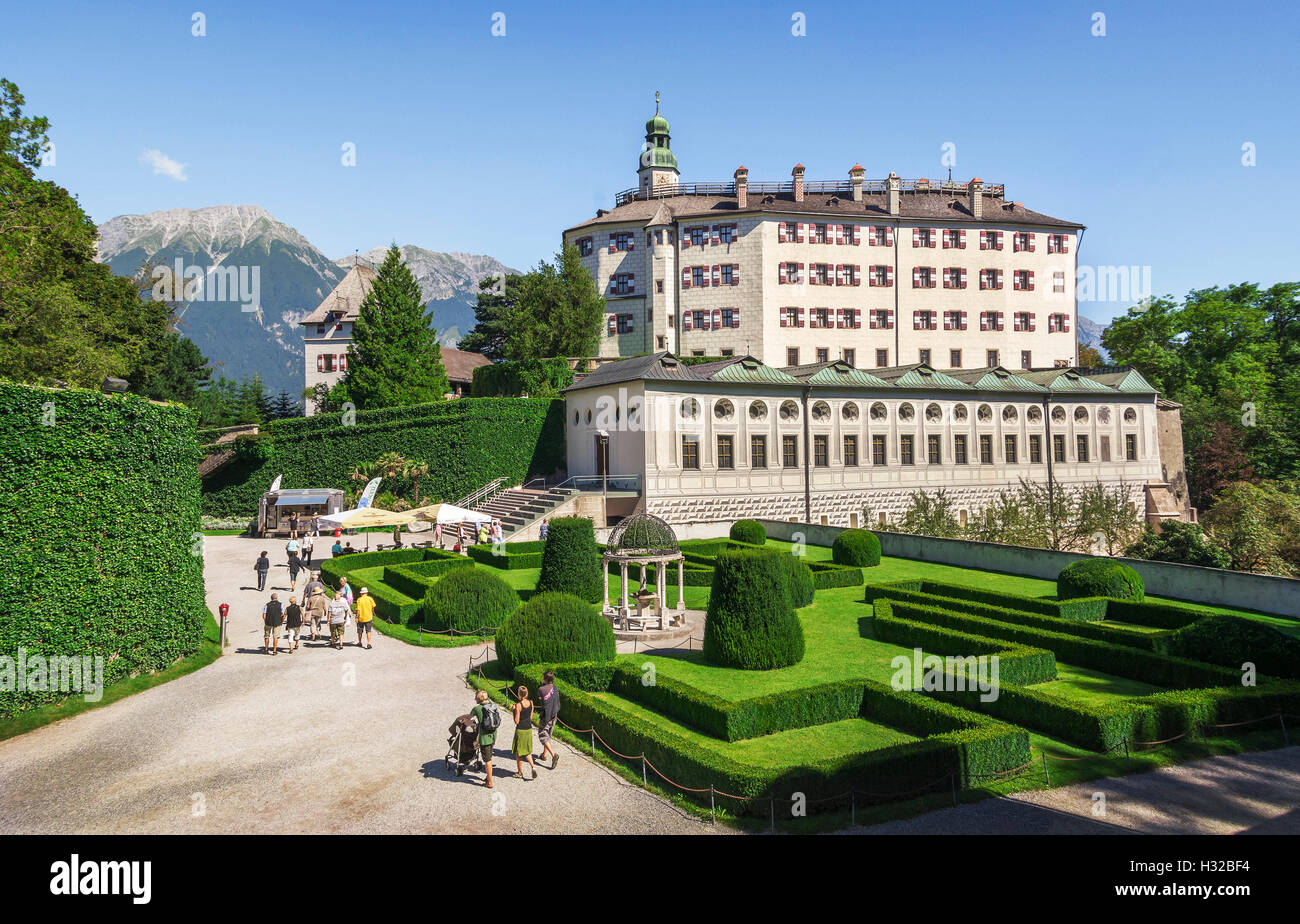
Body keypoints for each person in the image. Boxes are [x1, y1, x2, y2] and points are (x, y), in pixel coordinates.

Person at [470, 690, 499, 789]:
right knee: (489, 756)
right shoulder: (492, 706)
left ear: (479, 699)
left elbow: (469, 718)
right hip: (493, 735)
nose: (474, 699)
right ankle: (488, 775)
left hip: (485, 738)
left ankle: (490, 782)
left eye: (476, 697)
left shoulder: (477, 709)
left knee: (487, 760)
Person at [536, 670, 561, 769]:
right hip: (554, 715)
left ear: (545, 679)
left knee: (542, 735)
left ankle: (554, 755)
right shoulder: (555, 688)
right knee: (548, 735)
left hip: (546, 716)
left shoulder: (541, 689)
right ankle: (544, 754)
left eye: (543, 677)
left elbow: (541, 701)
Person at [512, 687, 538, 780]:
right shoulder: (531, 702)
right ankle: (533, 766)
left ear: (519, 694)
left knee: (519, 753)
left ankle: (519, 773)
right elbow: (530, 717)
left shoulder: (518, 705)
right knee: (527, 751)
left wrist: (513, 710)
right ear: (526, 694)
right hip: (528, 729)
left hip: (521, 730)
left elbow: (516, 721)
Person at [304, 573, 327, 640]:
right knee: (318, 623)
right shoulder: (320, 585)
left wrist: (306, 610)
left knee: (312, 624)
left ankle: (313, 635)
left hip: (313, 612)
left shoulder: (309, 585)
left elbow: (305, 594)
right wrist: (325, 611)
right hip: (319, 612)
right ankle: (318, 632)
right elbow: (324, 606)